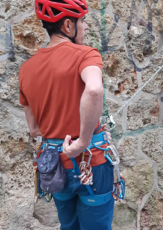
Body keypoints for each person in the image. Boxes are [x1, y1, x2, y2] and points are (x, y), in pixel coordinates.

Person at [18, 0, 115, 229]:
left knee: (68, 225)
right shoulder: (85, 55)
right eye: (84, 22)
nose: (87, 28)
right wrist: (82, 141)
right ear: (69, 26)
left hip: (54, 164)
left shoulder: (26, 69)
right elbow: (93, 88)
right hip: (91, 163)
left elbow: (34, 130)